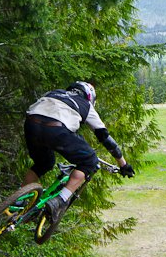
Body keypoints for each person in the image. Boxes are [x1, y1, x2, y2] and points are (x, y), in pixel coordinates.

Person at [23, 81, 135, 222]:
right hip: (56, 130)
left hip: (31, 125)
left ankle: (19, 201)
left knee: (43, 163)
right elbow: (104, 137)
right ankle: (60, 200)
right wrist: (123, 164)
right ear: (89, 97)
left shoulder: (53, 92)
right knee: (90, 161)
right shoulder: (86, 105)